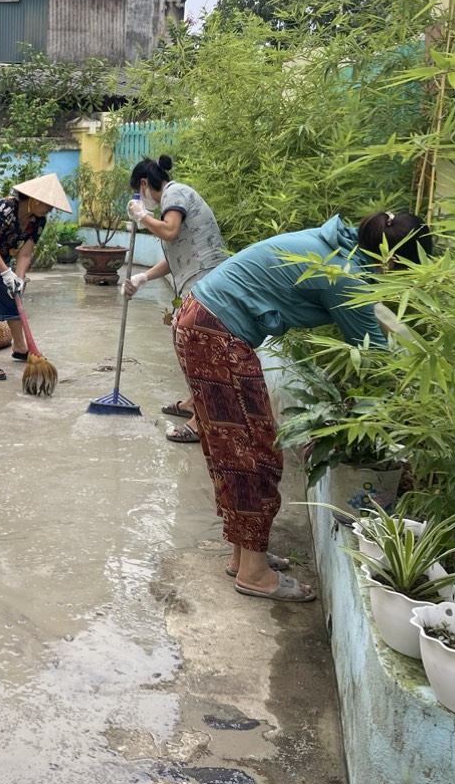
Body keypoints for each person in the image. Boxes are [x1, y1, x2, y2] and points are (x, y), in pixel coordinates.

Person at [173, 211, 433, 604]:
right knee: (253, 453)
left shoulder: (339, 245)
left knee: (237, 449)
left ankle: (244, 556)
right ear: (393, 260)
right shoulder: (345, 276)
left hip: (202, 320)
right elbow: (376, 360)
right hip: (214, 332)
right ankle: (253, 573)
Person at [121, 155, 229, 443]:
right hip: (199, 279)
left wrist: (142, 216)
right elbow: (173, 258)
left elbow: (169, 231)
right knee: (188, 342)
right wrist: (142, 278)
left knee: (196, 347)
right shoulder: (173, 199)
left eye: (138, 190)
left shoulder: (175, 193)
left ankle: (201, 420)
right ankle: (194, 402)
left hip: (208, 281)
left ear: (144, 183)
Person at [0, 173, 71, 380]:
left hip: (0, 258)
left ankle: (20, 348)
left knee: (12, 298)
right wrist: (5, 272)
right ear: (35, 199)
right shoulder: (4, 209)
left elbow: (25, 254)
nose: (49, 209)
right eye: (48, 204)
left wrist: (17, 279)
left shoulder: (38, 221)